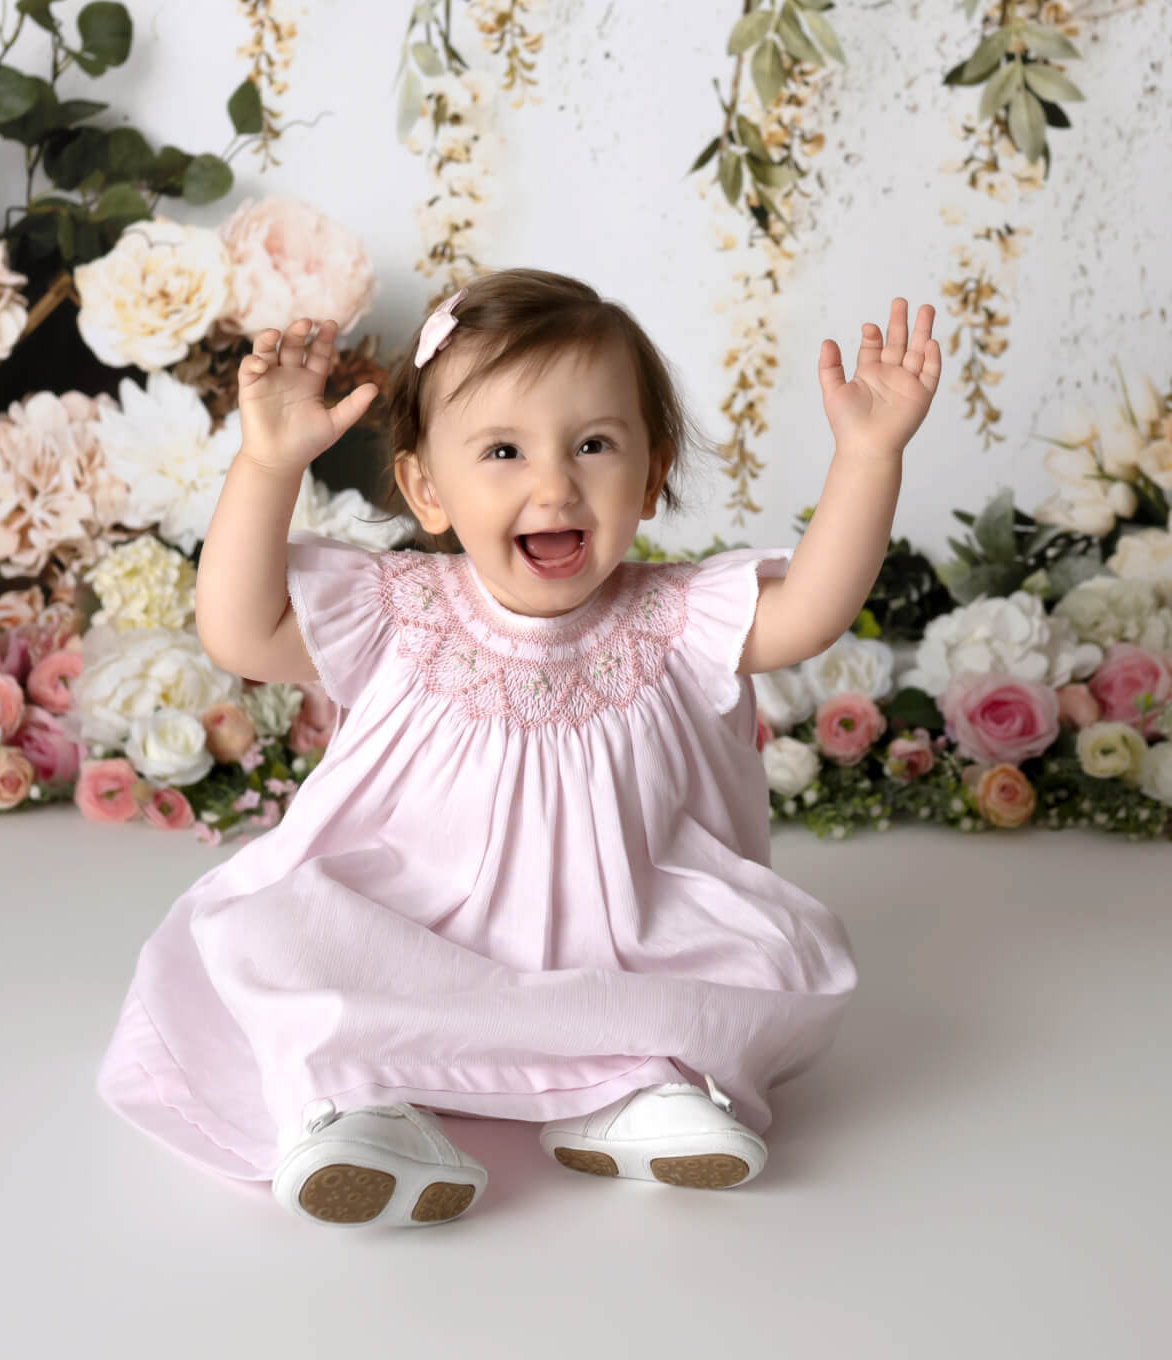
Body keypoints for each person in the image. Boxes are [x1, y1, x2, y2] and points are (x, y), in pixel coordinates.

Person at [94, 267, 941, 1230]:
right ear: (427, 488)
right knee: (282, 937)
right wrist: (268, 464)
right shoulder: (400, 612)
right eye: (503, 449)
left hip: (625, 934)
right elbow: (240, 632)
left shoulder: (678, 618)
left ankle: (642, 1097)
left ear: (653, 472)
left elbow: (813, 612)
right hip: (415, 932)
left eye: (594, 445)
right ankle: (359, 1113)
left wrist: (869, 455)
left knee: (764, 958)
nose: (554, 483)